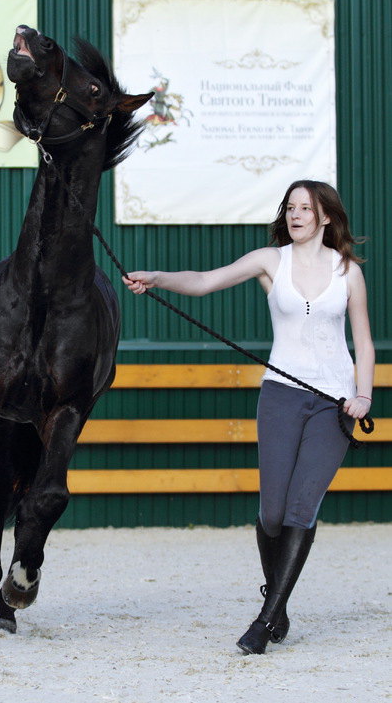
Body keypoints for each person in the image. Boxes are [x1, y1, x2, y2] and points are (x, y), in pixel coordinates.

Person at [123, 180, 374, 655]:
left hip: (334, 402)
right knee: (273, 513)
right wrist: (157, 275)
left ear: (325, 218)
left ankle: (266, 618)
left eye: (307, 208)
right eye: (291, 207)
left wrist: (363, 395)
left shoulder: (348, 272)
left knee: (302, 508)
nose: (297, 214)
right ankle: (276, 598)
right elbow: (203, 281)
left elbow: (362, 342)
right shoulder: (270, 260)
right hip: (280, 395)